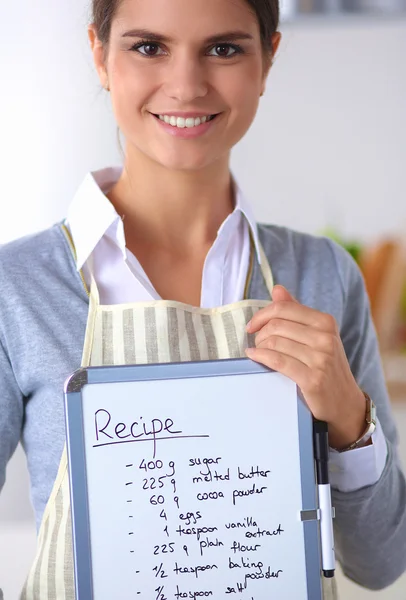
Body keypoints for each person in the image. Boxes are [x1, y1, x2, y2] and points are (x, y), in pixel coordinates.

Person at [0, 0, 405, 598]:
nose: (186, 86)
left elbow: (383, 563)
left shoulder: (322, 274)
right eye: (148, 47)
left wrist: (348, 419)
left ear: (268, 59)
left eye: (223, 48)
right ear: (99, 54)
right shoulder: (17, 288)